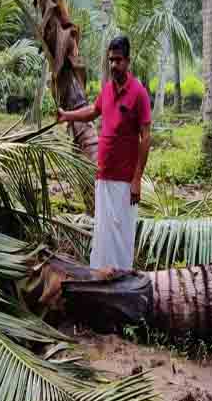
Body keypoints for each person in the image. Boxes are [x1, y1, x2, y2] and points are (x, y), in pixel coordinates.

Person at [57, 36, 152, 271]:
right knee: (103, 232)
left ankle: (122, 279)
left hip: (124, 180)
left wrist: (137, 178)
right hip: (103, 176)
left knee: (122, 233)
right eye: (110, 60)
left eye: (118, 60)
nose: (113, 65)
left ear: (128, 61)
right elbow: (92, 111)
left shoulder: (138, 93)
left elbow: (146, 137)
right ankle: (100, 277)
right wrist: (67, 115)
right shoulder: (108, 90)